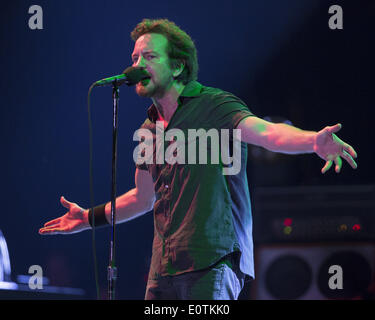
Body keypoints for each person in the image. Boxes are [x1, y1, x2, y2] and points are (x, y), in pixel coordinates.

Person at [39, 19, 358, 300]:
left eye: (149, 56)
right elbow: (142, 197)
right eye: (135, 57)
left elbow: (268, 133)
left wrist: (313, 141)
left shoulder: (215, 105)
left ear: (177, 66)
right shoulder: (148, 130)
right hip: (162, 271)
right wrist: (89, 218)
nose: (136, 64)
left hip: (212, 262)